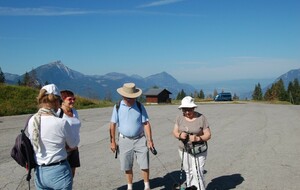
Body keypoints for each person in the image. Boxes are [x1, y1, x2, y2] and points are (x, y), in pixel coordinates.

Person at [28, 84, 79, 190]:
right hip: (59, 170)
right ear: (56, 101)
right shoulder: (61, 122)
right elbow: (74, 144)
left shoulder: (32, 120)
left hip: (40, 171)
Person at [109, 83, 155, 190]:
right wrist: (112, 142)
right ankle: (130, 187)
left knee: (145, 163)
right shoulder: (117, 107)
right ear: (123, 96)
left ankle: (146, 186)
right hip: (124, 139)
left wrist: (150, 140)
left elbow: (146, 123)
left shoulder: (139, 106)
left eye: (133, 97)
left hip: (140, 138)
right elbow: (112, 124)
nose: (131, 99)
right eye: (129, 97)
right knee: (127, 165)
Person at [173, 96, 211, 190]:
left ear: (193, 108)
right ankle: (190, 188)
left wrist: (197, 138)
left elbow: (208, 135)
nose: (186, 112)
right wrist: (180, 135)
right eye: (184, 110)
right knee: (188, 171)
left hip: (199, 150)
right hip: (184, 149)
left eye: (189, 110)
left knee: (197, 171)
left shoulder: (201, 118)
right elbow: (174, 132)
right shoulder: (179, 118)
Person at [58, 90, 81, 178]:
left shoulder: (75, 112)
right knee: (63, 176)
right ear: (63, 100)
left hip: (74, 148)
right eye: (70, 99)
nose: (73, 101)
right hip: (64, 150)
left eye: (74, 99)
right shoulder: (59, 113)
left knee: (72, 175)